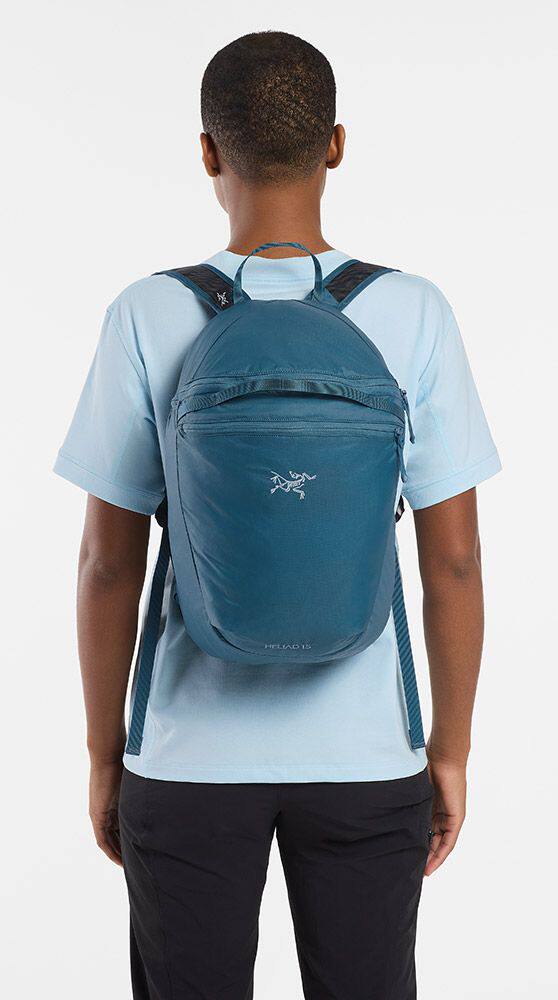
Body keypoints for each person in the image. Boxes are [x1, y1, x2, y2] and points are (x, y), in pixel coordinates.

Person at [55, 30, 500, 1000]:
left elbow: (106, 566)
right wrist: (451, 751)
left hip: (186, 759)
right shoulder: (413, 312)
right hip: (367, 759)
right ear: (335, 145)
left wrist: (104, 755)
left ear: (207, 151)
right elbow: (455, 562)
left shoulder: (147, 313)